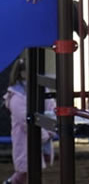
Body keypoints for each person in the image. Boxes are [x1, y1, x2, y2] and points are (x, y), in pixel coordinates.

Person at [3, 56, 56, 184]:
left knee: (30, 169)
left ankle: (11, 182)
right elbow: (25, 121)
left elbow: (51, 107)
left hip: (40, 135)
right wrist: (45, 133)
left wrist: (49, 129)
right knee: (27, 168)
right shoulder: (16, 97)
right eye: (29, 71)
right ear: (21, 73)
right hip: (25, 139)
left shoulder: (41, 89)